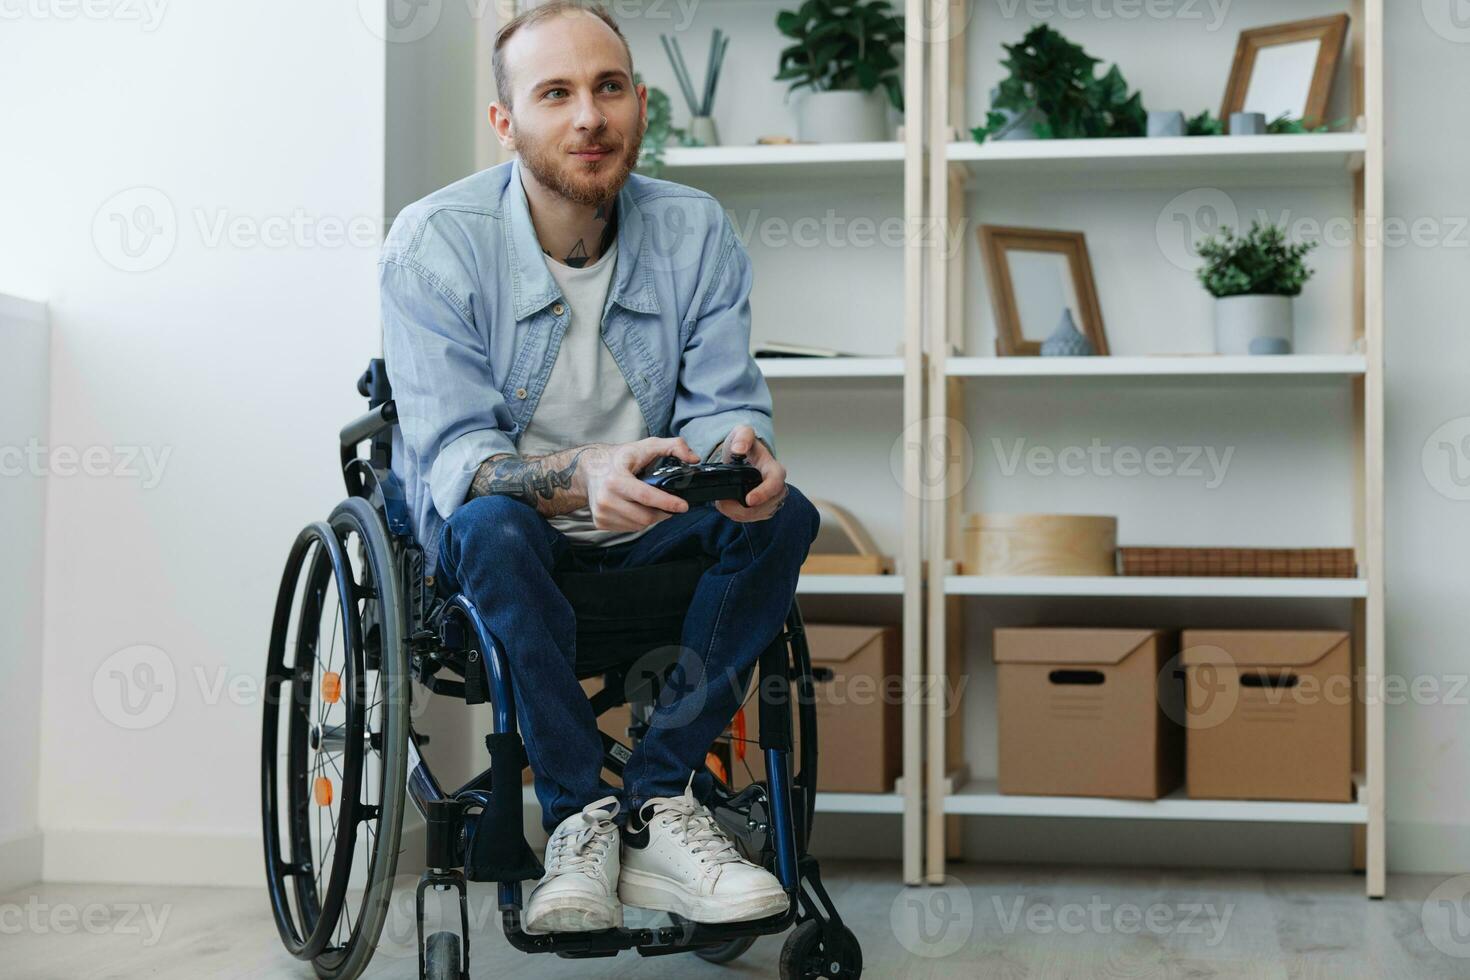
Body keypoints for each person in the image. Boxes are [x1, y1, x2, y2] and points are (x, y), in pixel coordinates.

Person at [379, 0, 819, 936]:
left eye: (608, 87)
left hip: (653, 537)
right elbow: (456, 457)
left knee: (785, 515)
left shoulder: (695, 231)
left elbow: (724, 402)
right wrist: (578, 476)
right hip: (508, 556)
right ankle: (580, 815)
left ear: (640, 104)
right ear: (507, 123)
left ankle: (656, 806)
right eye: (556, 93)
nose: (589, 117)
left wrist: (742, 455)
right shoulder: (434, 242)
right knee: (492, 524)